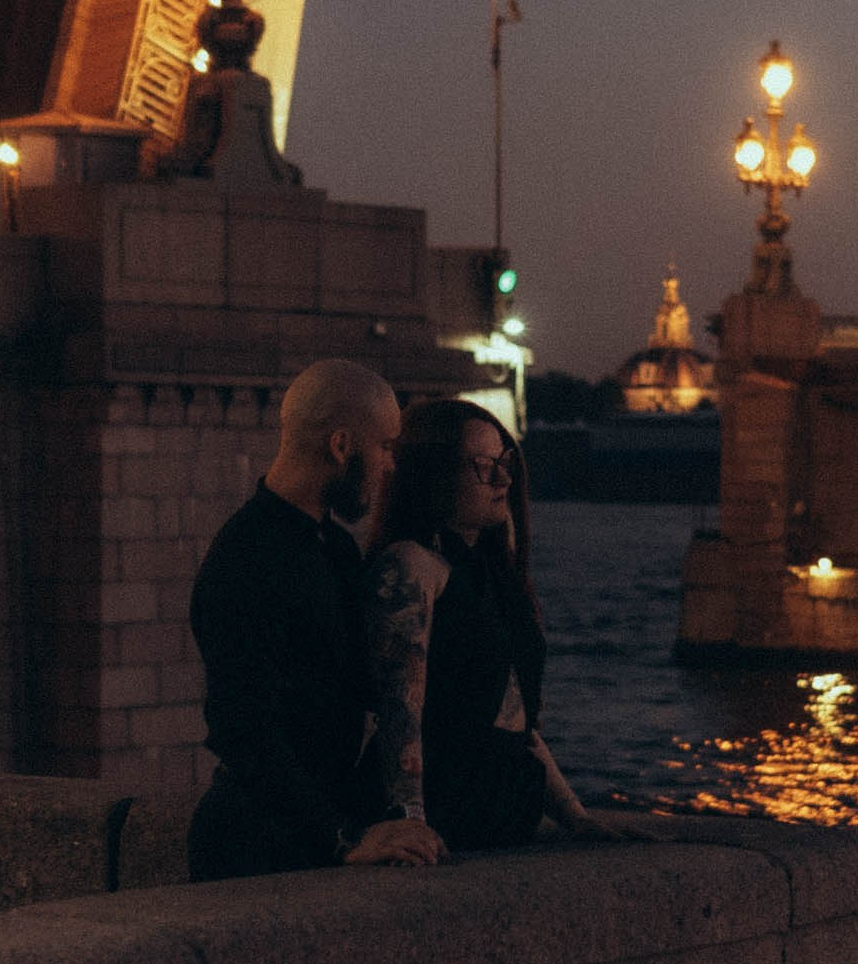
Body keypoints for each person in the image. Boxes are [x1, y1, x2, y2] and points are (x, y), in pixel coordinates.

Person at [187, 361, 446, 880]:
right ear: (342, 446)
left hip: (301, 838)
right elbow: (241, 728)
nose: (390, 466)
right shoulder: (247, 556)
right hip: (256, 851)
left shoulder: (335, 548)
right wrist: (343, 837)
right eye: (383, 448)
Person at [362, 399, 623, 852]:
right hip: (449, 814)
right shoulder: (413, 566)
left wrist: (575, 817)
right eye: (483, 466)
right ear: (435, 474)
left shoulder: (493, 576)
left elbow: (514, 718)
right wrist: (410, 820)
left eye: (505, 462)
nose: (503, 479)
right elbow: (400, 710)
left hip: (500, 812)